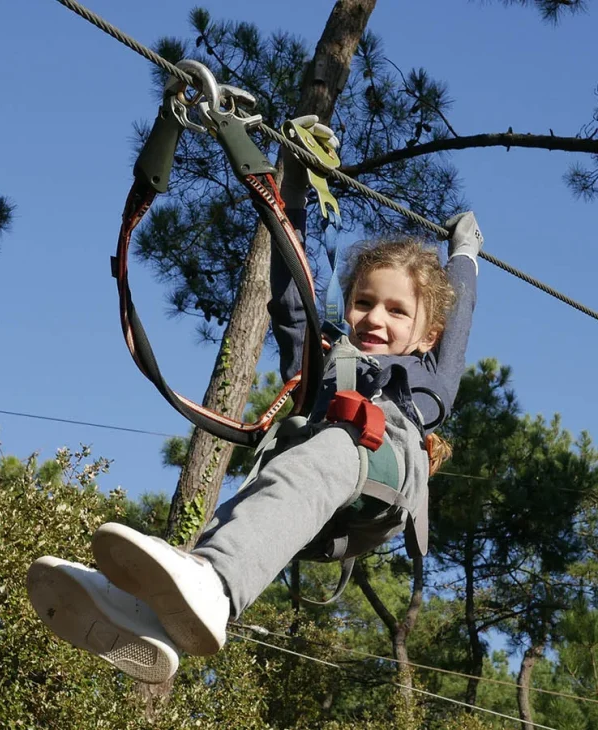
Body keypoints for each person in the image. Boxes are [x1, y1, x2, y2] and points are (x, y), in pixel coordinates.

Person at [27, 117, 482, 685]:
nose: (375, 319)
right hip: (322, 492)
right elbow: (291, 293)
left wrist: (464, 255)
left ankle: (215, 584)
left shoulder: (427, 377)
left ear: (426, 333)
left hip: (387, 468)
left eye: (397, 311)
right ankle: (150, 622)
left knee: (335, 446)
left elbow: (457, 321)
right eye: (365, 302)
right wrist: (288, 179)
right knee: (269, 486)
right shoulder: (327, 361)